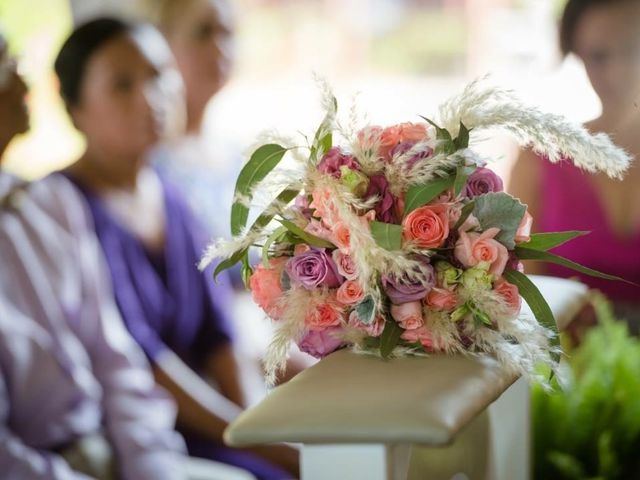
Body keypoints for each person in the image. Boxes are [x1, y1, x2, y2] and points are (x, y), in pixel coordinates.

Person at [53, 17, 298, 479]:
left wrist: (256, 428)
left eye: (158, 75)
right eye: (122, 86)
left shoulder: (167, 192)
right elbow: (141, 361)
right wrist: (255, 441)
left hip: (214, 419)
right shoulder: (65, 207)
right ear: (74, 108)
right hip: (138, 434)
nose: (150, 98)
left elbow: (218, 331)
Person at [0, 33, 187, 480]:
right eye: (4, 61)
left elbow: (114, 357)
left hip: (117, 451)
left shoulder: (50, 202)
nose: (21, 71)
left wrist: (153, 468)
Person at [510, 0, 640, 331]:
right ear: (577, 56)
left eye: (632, 47)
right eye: (599, 56)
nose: (619, 71)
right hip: (570, 371)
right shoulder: (538, 160)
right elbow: (521, 301)